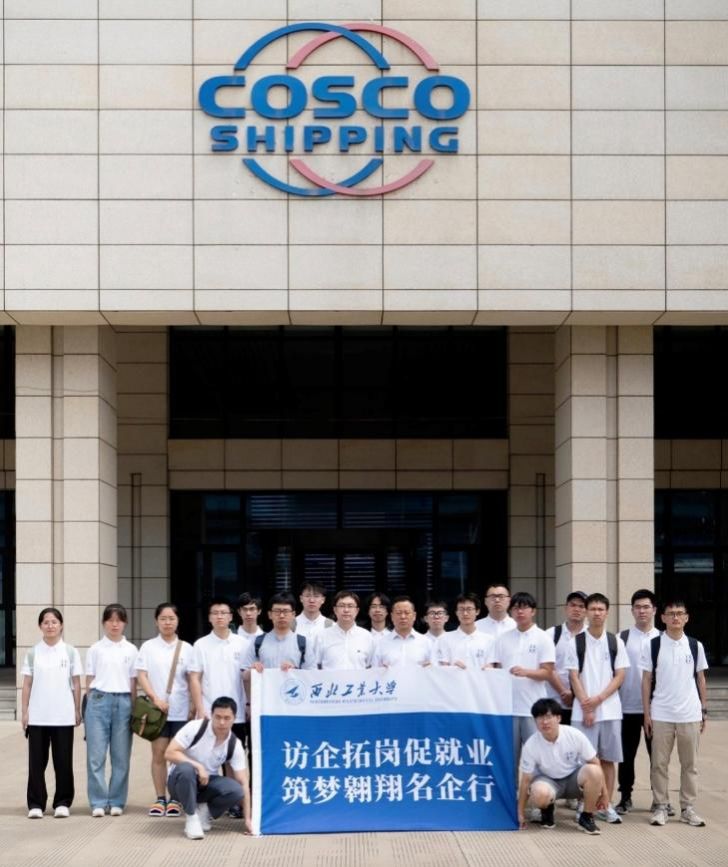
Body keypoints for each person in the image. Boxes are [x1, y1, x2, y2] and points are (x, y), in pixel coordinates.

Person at [641, 599, 709, 828]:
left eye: (680, 613)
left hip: (690, 713)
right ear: (663, 617)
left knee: (690, 764)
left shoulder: (695, 645)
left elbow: (700, 678)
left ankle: (688, 808)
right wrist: (647, 714)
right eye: (671, 613)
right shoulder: (653, 645)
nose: (675, 617)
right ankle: (661, 806)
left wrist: (703, 710)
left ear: (687, 618)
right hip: (661, 713)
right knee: (659, 764)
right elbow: (646, 680)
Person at [566, 592, 628, 825]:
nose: (596, 613)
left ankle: (606, 804)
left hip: (610, 711)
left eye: (601, 609)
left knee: (609, 760)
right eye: (592, 609)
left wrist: (599, 699)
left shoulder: (615, 642)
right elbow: (573, 676)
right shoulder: (576, 642)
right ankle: (585, 804)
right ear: (586, 612)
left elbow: (620, 675)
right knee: (584, 762)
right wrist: (587, 707)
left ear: (607, 612)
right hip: (582, 713)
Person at [20, 607, 83, 819]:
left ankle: (62, 802)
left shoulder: (70, 652)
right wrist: (25, 712)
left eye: (54, 622)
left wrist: (76, 709)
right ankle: (36, 803)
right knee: (36, 763)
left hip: (63, 715)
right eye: (46, 622)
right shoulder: (33, 653)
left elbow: (76, 683)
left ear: (61, 625)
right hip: (38, 716)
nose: (50, 626)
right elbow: (27, 684)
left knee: (63, 762)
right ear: (40, 626)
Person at [189, 597, 248, 818]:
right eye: (215, 613)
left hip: (236, 712)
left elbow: (247, 677)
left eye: (224, 612)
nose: (220, 616)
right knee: (209, 758)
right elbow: (194, 678)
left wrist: (249, 704)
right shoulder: (201, 644)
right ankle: (205, 801)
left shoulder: (242, 643)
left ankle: (233, 801)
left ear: (231, 616)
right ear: (209, 617)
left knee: (233, 756)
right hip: (210, 712)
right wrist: (200, 708)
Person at [135, 603, 195, 818]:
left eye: (171, 618)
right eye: (163, 618)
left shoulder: (187, 649)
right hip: (157, 713)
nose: (167, 622)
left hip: (181, 711)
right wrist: (155, 698)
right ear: (156, 621)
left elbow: (193, 679)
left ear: (178, 621)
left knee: (178, 756)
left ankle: (175, 799)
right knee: (158, 754)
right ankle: (160, 798)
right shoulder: (148, 647)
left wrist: (193, 706)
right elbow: (142, 675)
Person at [486, 592, 555, 776]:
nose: (520, 612)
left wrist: (526, 672)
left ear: (533, 611)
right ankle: (513, 791)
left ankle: (538, 791)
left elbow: (548, 672)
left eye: (524, 608)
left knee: (537, 756)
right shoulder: (503, 638)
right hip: (507, 708)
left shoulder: (543, 638)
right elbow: (494, 667)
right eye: (516, 608)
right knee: (509, 757)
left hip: (534, 708)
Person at [518, 698, 609, 835]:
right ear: (535, 721)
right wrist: (520, 813)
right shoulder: (531, 745)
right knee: (538, 792)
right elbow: (525, 780)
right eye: (540, 717)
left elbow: (596, 762)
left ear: (558, 718)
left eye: (549, 716)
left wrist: (605, 794)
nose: (545, 722)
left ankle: (586, 816)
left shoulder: (574, 734)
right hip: (548, 781)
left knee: (594, 770)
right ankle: (547, 809)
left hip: (573, 780)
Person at [165, 696, 251, 840]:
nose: (222, 722)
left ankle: (205, 812)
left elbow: (243, 782)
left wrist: (248, 819)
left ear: (234, 718)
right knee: (186, 769)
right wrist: (198, 766)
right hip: (179, 782)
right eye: (218, 717)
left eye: (227, 718)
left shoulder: (234, 744)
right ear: (211, 715)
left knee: (236, 790)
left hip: (206, 784)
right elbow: (169, 752)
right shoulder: (195, 727)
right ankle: (191, 818)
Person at [85, 603, 138, 817]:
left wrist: (134, 707)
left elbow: (134, 682)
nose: (114, 624)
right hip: (98, 700)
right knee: (96, 756)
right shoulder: (95, 649)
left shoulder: (131, 649)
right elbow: (89, 680)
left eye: (119, 620)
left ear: (125, 623)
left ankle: (116, 800)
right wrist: (90, 702)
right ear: (103, 623)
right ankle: (98, 801)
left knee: (121, 756)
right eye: (110, 620)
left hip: (124, 702)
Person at [616, 589, 660, 815]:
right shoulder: (621, 638)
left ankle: (659, 799)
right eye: (638, 607)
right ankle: (625, 797)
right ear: (632, 610)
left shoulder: (663, 638)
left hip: (657, 709)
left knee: (658, 757)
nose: (642, 611)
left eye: (646, 607)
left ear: (654, 610)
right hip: (627, 707)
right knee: (626, 755)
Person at [241, 592, 316, 676]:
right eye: (277, 611)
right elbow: (244, 675)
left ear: (293, 615)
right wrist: (252, 671)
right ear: (270, 614)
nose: (281, 615)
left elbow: (312, 675)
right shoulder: (257, 642)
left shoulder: (304, 643)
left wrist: (295, 671)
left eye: (286, 611)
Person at [544, 590, 588, 726]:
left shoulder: (590, 635)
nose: (577, 609)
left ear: (586, 611)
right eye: (573, 605)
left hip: (583, 704)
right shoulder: (551, 634)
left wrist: (575, 694)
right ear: (566, 608)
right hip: (554, 703)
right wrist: (564, 692)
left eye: (581, 606)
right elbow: (547, 667)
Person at [317, 590, 375, 670]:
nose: (346, 610)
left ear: (357, 610)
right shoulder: (322, 636)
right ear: (335, 610)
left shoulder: (367, 637)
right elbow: (316, 666)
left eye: (350, 606)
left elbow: (371, 667)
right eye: (342, 606)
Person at [373, 596, 432, 669]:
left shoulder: (426, 642)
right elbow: (374, 672)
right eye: (398, 613)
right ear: (392, 616)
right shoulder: (381, 644)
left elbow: (434, 671)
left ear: (414, 616)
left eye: (407, 613)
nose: (403, 617)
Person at [440, 592, 494, 669]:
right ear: (456, 612)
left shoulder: (488, 640)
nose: (465, 613)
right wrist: (452, 669)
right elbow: (442, 669)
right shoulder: (445, 639)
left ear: (477, 611)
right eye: (461, 609)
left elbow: (491, 667)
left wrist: (487, 669)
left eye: (469, 609)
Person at [294, 582, 333, 658]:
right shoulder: (291, 624)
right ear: (301, 598)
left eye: (316, 596)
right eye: (307, 596)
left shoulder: (331, 625)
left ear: (323, 600)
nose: (311, 600)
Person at [422, 600, 449, 665]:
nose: (436, 617)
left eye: (440, 613)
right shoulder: (419, 641)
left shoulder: (454, 641)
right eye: (432, 613)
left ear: (446, 618)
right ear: (426, 618)